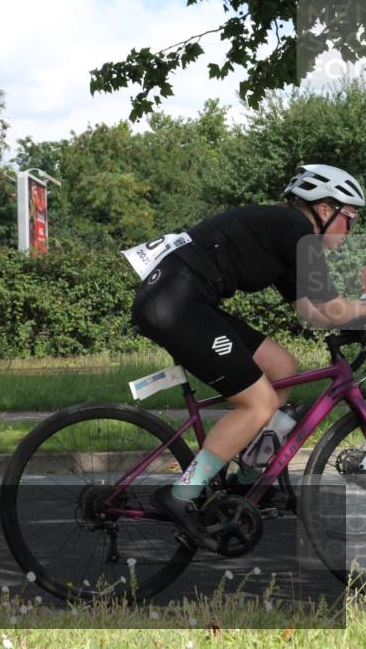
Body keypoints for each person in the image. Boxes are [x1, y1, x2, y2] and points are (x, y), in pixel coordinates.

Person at [129, 164, 366, 550]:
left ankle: (246, 478)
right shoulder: (297, 230)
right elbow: (335, 307)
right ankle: (181, 494)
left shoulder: (286, 233)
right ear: (326, 210)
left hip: (182, 299)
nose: (350, 230)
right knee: (258, 403)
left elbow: (312, 311)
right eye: (350, 217)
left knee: (282, 367)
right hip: (176, 304)